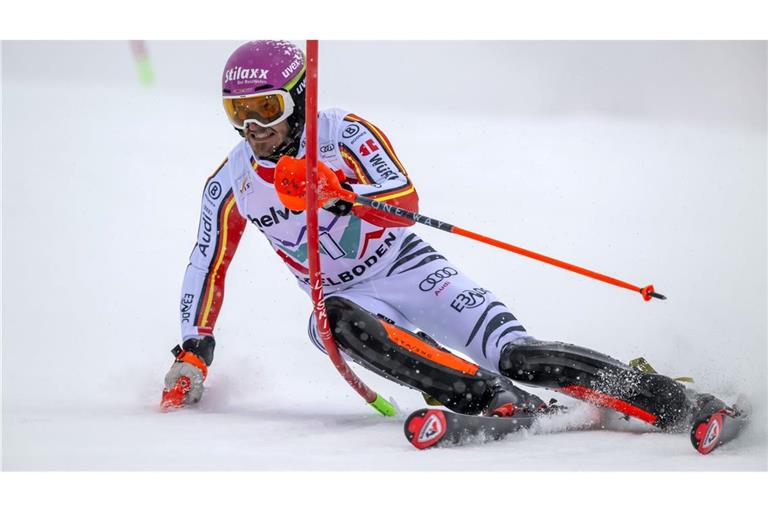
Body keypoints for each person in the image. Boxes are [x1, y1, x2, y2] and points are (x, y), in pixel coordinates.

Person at [161, 40, 716, 432]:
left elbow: (405, 205)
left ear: (299, 97)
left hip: (408, 268)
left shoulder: (343, 133)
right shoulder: (231, 182)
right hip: (348, 298)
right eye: (238, 112)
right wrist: (194, 351)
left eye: (266, 108)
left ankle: (675, 401)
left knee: (518, 354)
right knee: (326, 320)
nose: (253, 129)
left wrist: (339, 193)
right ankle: (493, 400)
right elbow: (207, 263)